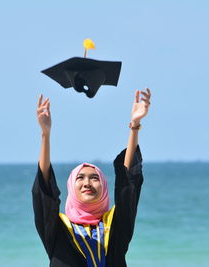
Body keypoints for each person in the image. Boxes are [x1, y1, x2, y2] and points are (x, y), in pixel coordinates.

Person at [32, 88, 151, 267]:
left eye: (94, 178)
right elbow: (45, 192)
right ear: (71, 187)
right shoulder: (58, 230)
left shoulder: (116, 225)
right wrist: (45, 134)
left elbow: (128, 184)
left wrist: (134, 124)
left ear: (103, 187)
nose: (87, 182)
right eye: (80, 178)